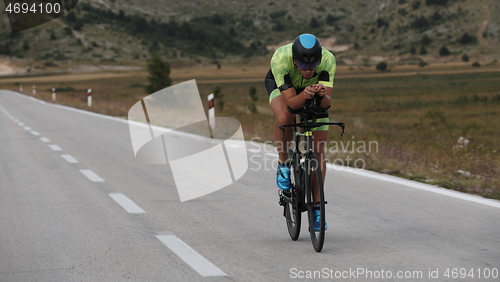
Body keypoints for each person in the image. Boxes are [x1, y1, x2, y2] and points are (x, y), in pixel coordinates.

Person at [264, 33, 336, 231]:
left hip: (310, 91)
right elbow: (292, 104)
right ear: (294, 60)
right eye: (302, 66)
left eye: (312, 66)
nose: (307, 70)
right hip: (285, 91)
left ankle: (317, 210)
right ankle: (284, 164)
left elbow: (327, 103)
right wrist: (304, 94)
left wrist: (321, 96)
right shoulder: (281, 59)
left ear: (319, 60)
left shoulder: (329, 60)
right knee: (285, 118)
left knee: (319, 150)